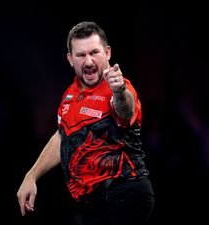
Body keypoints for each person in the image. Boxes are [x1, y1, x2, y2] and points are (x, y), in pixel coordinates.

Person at [17, 21, 155, 225]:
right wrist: (31, 176)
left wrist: (119, 92)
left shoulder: (119, 87)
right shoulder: (70, 95)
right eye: (81, 55)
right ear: (70, 59)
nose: (88, 61)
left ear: (107, 53)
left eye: (94, 52)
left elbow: (125, 111)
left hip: (126, 194)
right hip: (93, 204)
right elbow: (63, 135)